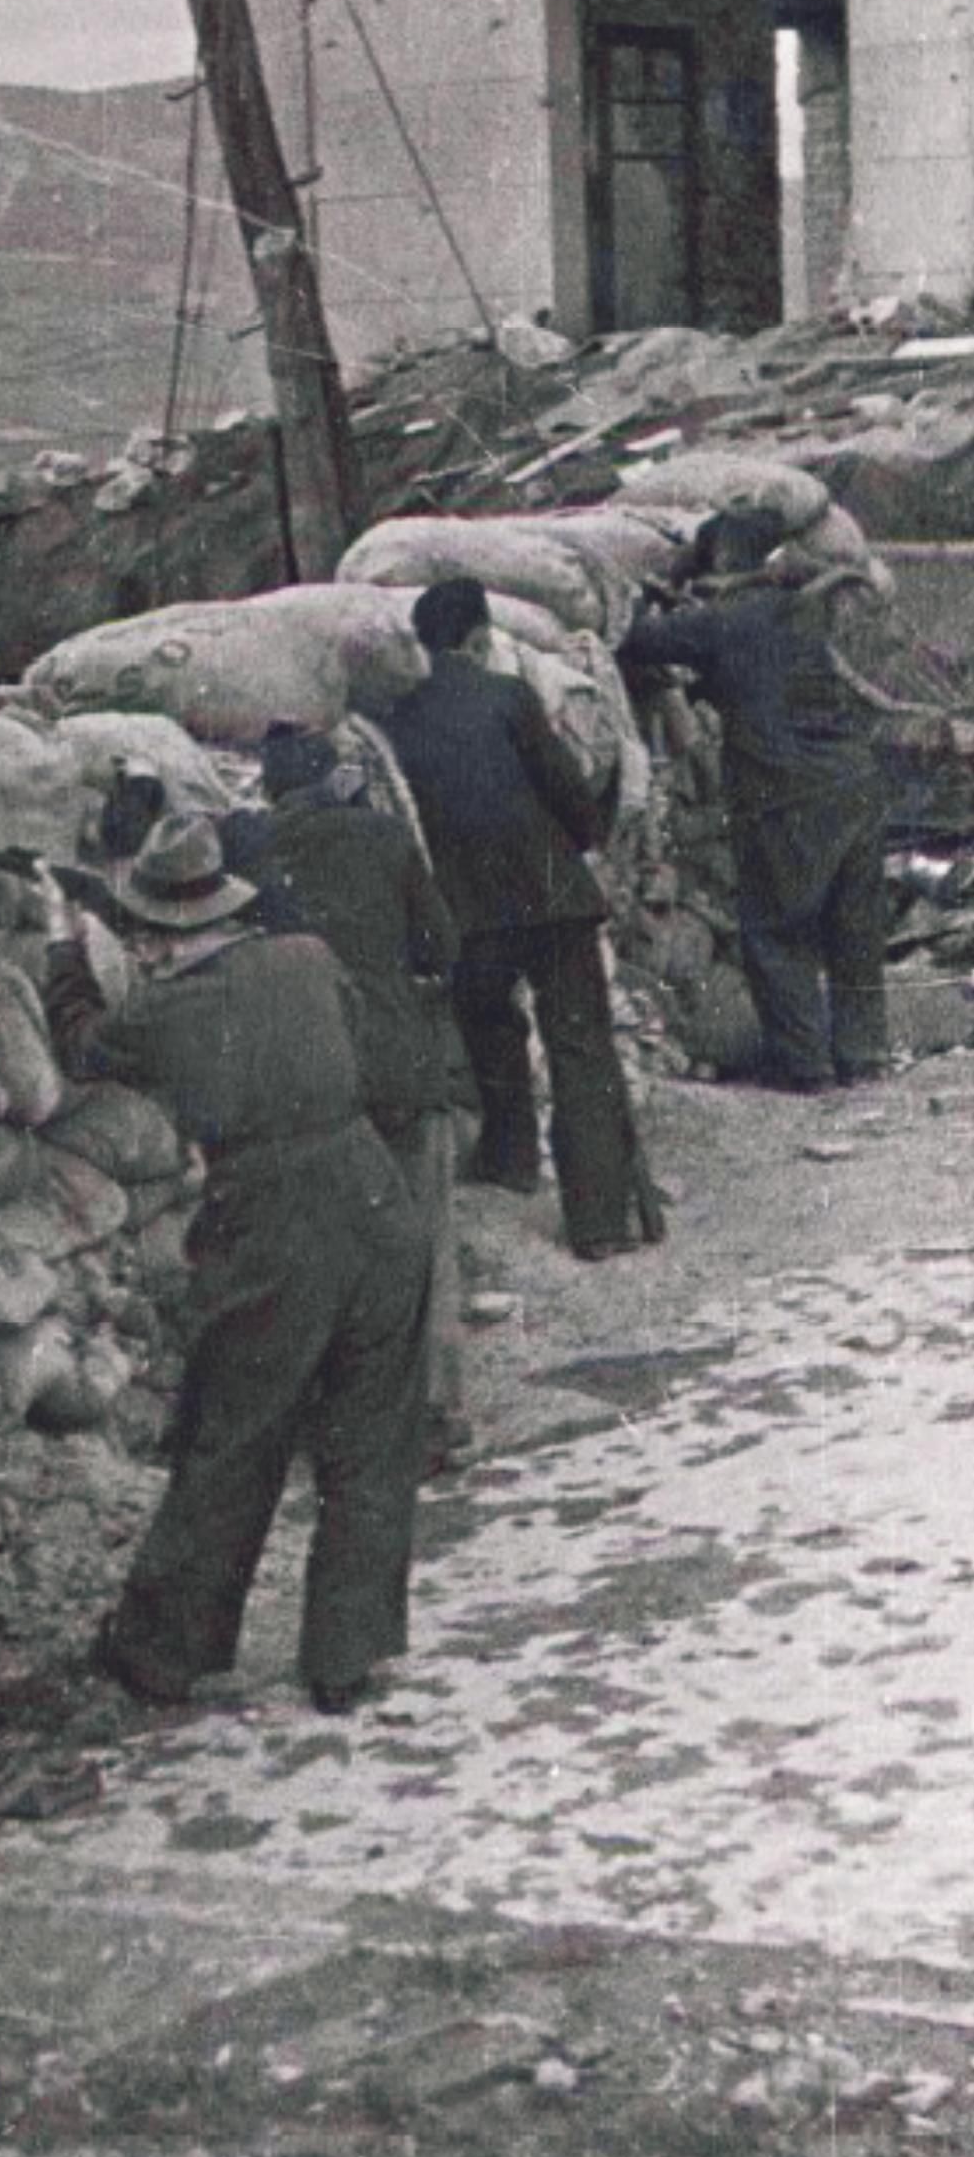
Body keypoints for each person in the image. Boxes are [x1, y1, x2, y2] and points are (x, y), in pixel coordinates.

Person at [46, 812, 433, 1718]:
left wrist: (64, 954)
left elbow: (81, 1043)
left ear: (154, 936)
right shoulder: (306, 957)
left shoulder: (165, 1010)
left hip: (270, 1218)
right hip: (375, 1198)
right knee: (372, 1437)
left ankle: (162, 1652)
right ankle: (346, 1655)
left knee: (233, 1435)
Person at [221, 721, 471, 1461]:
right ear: (335, 776)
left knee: (329, 1252)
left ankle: (345, 1420)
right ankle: (434, 1415)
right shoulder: (383, 836)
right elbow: (440, 946)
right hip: (398, 1069)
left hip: (308, 1082)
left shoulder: (252, 851)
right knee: (422, 1245)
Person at [383, 574, 641, 1263]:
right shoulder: (508, 695)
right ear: (479, 638)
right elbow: (564, 788)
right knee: (579, 1043)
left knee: (489, 1024)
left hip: (466, 908)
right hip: (551, 895)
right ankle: (599, 1220)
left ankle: (510, 1158)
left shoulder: (393, 718)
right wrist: (585, 836)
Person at [619, 508, 890, 1091]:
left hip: (787, 792)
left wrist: (652, 595)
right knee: (854, 929)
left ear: (720, 562)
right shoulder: (805, 609)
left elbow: (638, 640)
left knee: (777, 929)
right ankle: (864, 1056)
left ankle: (804, 1067)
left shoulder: (722, 622)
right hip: (854, 782)